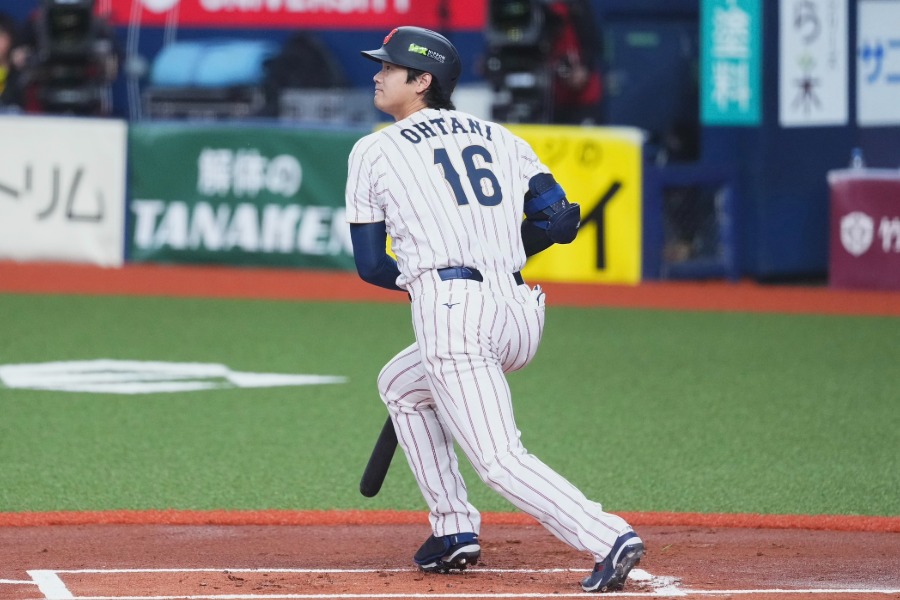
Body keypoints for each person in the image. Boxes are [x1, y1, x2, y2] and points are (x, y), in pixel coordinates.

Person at [344, 26, 644, 593]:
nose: (378, 75)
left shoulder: (374, 149)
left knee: (499, 458)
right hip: (520, 311)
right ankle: (453, 530)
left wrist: (429, 286)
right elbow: (561, 222)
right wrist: (497, 252)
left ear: (423, 80)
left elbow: (370, 265)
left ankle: (608, 536)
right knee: (402, 383)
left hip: (455, 313)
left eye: (389, 67)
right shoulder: (501, 137)